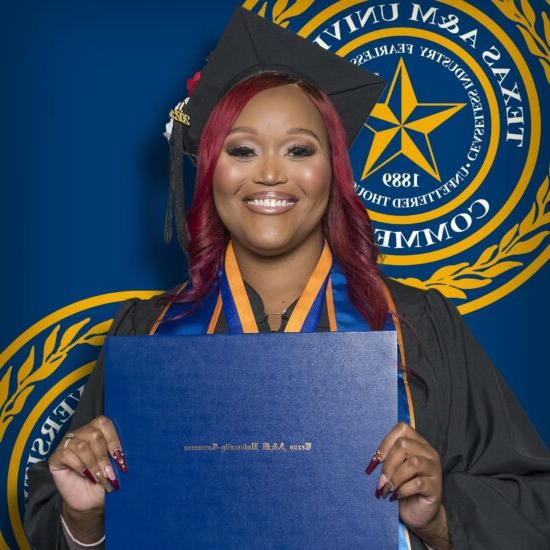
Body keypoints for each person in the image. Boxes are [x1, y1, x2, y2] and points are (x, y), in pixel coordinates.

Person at [23, 7, 550, 550]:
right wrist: (84, 521)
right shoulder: (146, 334)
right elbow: (67, 525)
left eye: (299, 149)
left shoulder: (419, 328)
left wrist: (439, 518)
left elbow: (534, 507)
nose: (270, 173)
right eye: (242, 150)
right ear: (210, 170)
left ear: (333, 170)